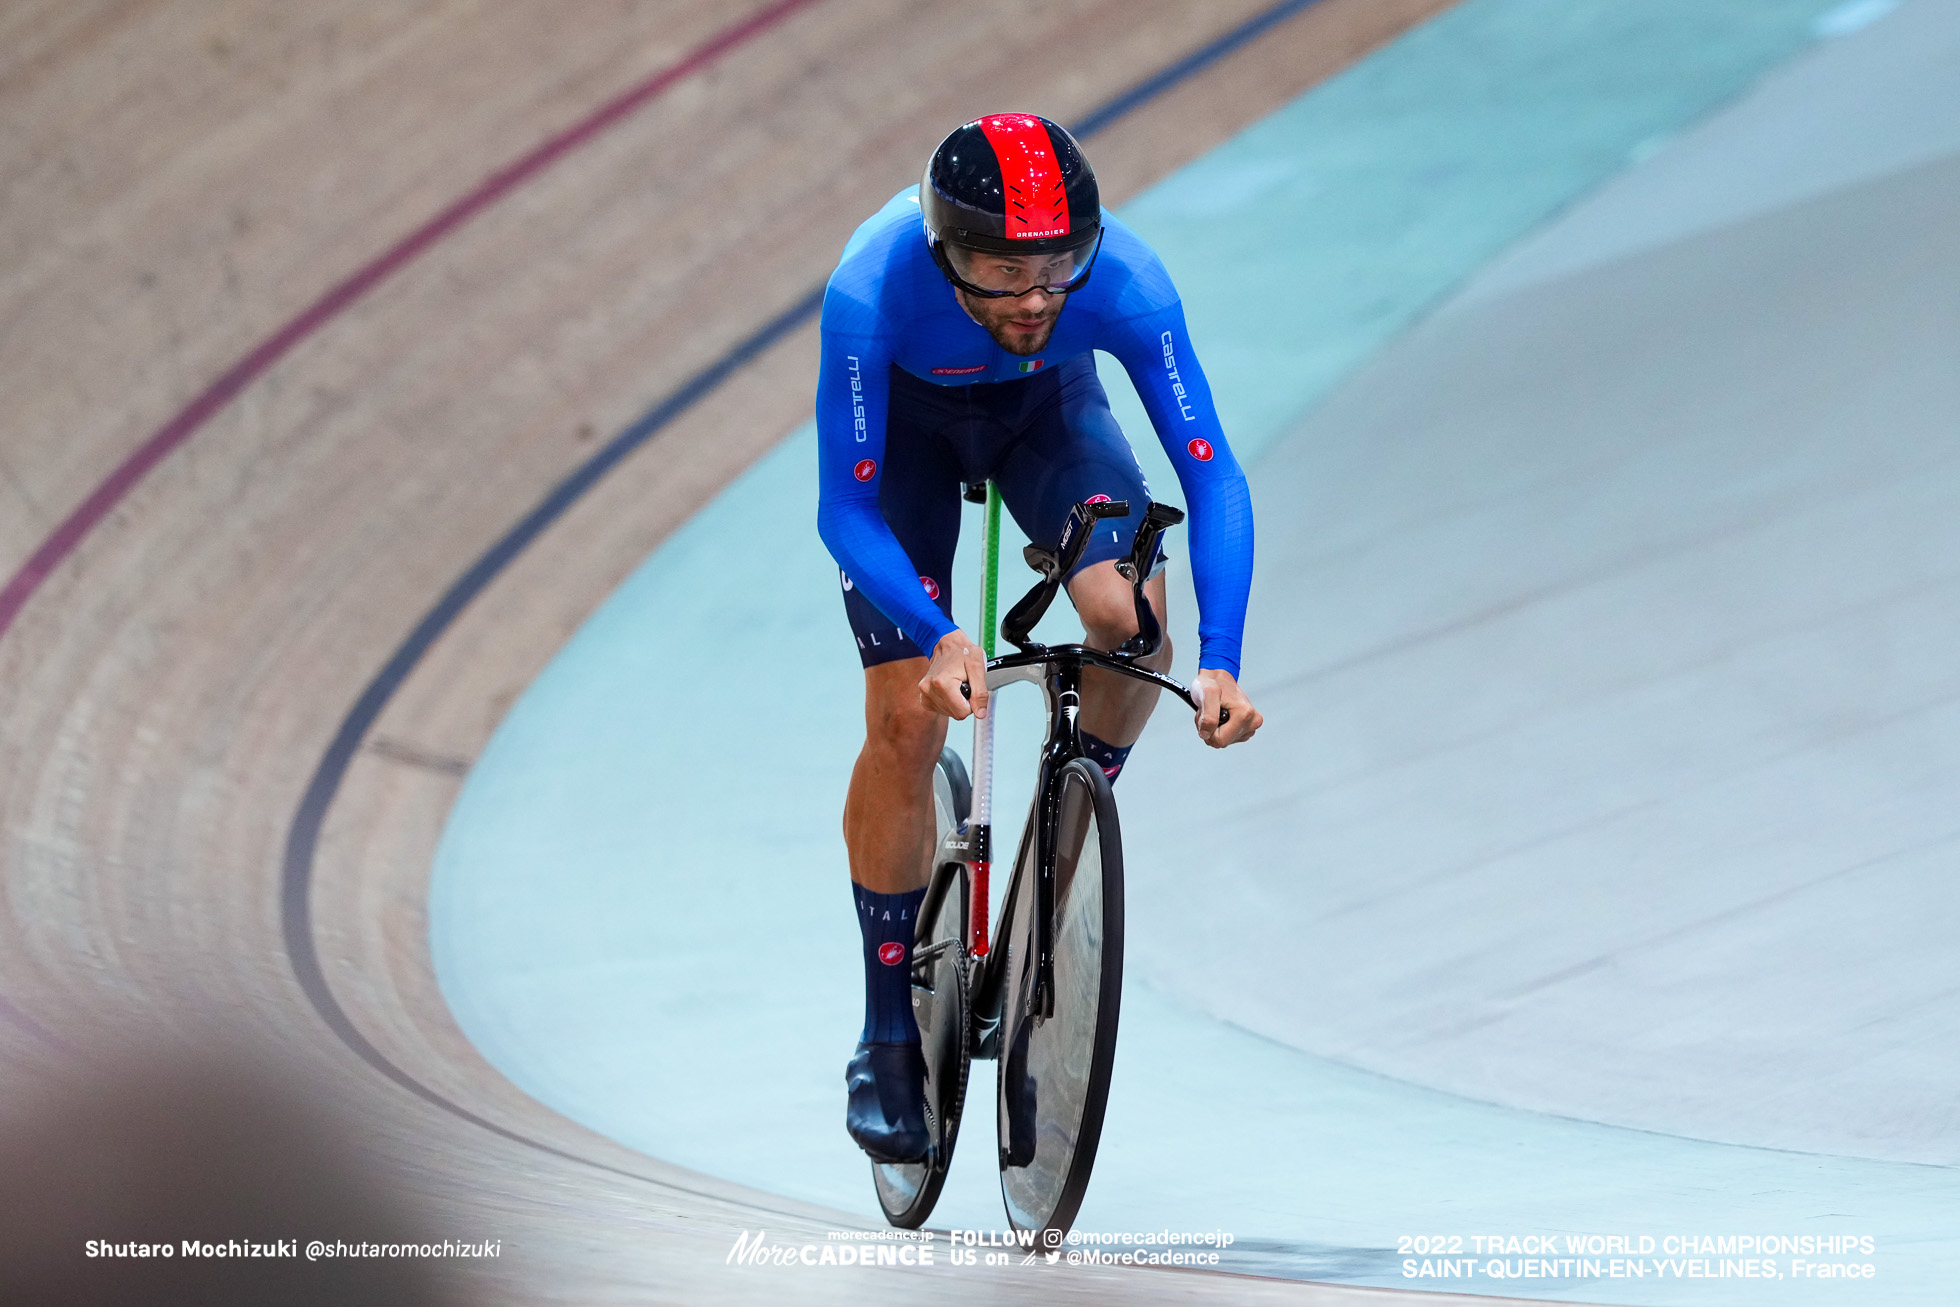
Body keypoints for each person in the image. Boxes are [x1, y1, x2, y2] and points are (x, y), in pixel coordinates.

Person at [816, 113, 1262, 1163]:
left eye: (1055, 267)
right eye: (999, 270)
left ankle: (1057, 854)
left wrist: (1224, 655)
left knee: (1129, 621)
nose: (1032, 296)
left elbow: (1213, 473)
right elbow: (848, 508)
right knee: (903, 717)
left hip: (1044, 416)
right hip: (910, 437)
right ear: (943, 250)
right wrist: (935, 633)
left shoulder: (1125, 282)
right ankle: (886, 1029)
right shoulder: (870, 295)